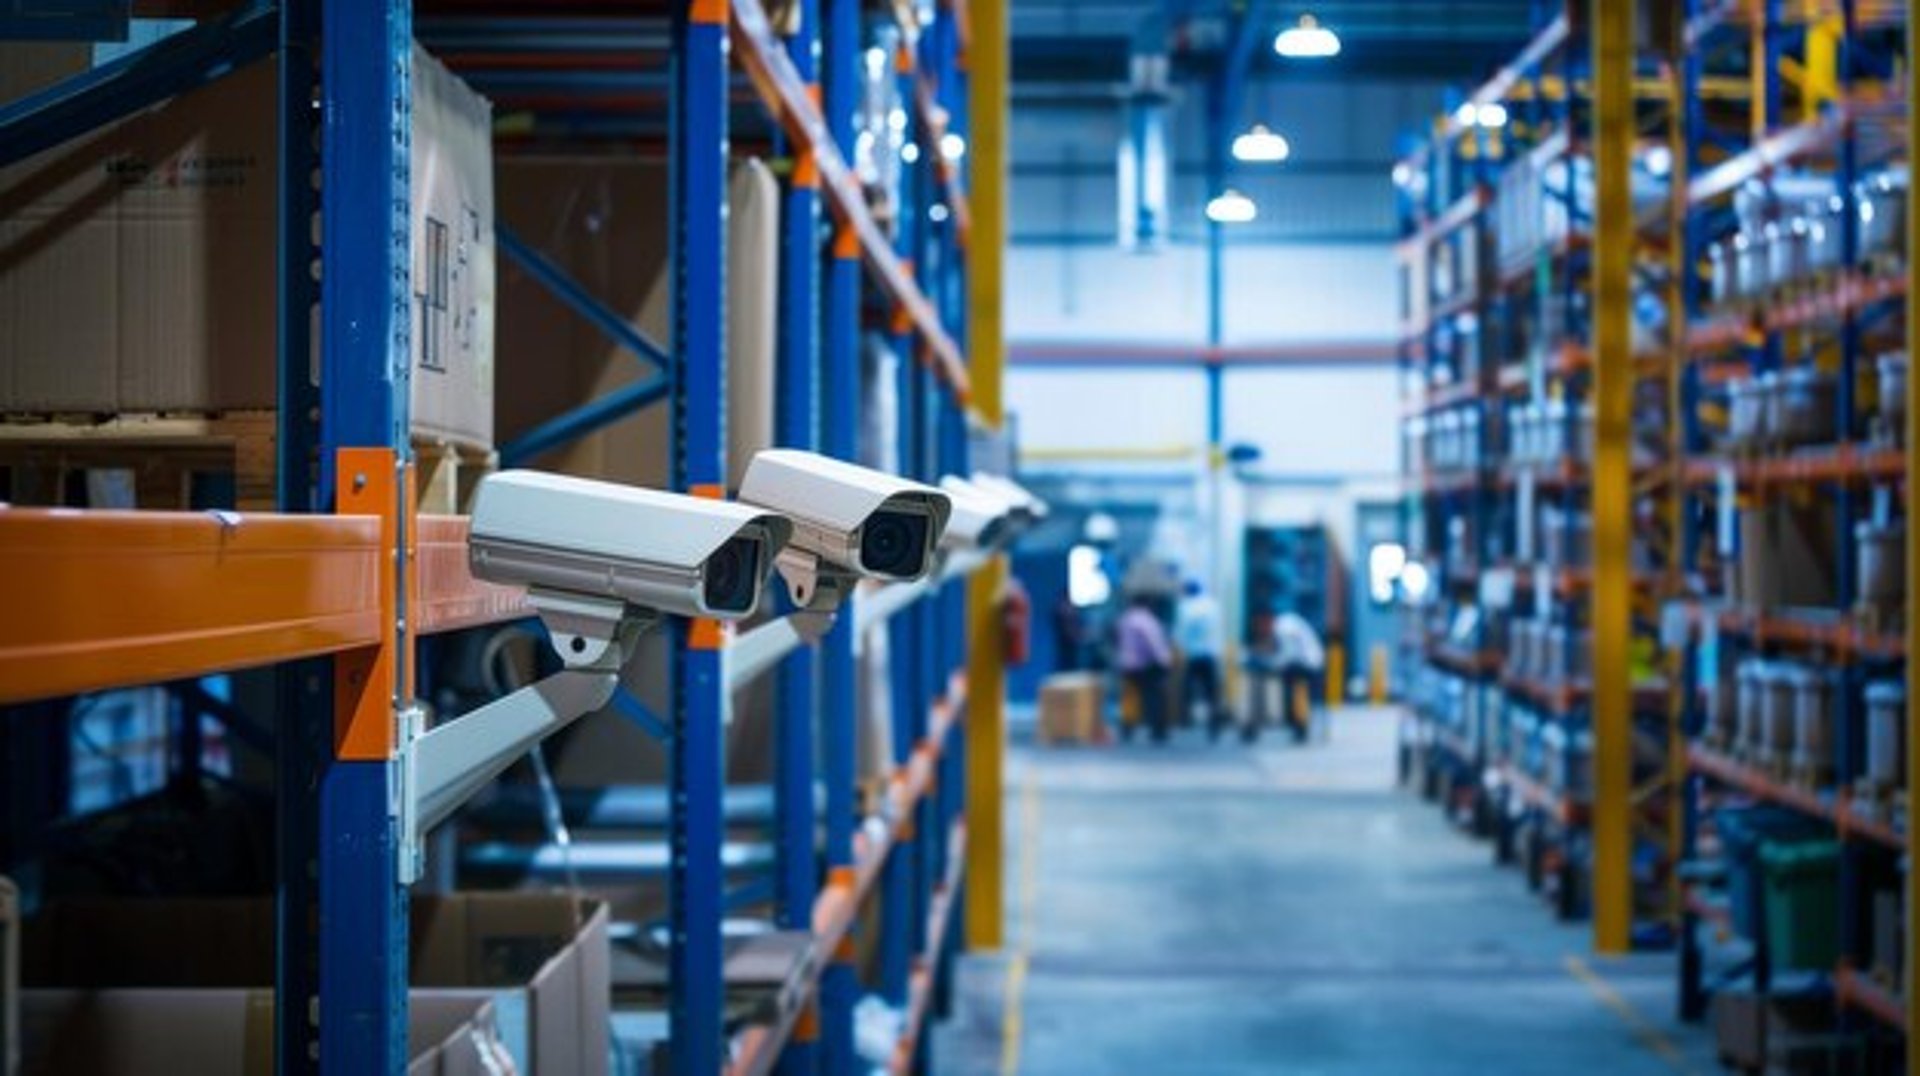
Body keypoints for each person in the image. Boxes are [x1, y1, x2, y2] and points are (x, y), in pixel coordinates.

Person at [1114, 592, 1175, 743]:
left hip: (1127, 663)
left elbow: (1117, 639)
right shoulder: (1146, 620)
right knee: (1154, 697)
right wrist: (1164, 660)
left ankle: (1127, 727)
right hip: (1145, 665)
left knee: (1130, 696)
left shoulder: (1125, 619)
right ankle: (1158, 729)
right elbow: (1153, 643)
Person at [1175, 580, 1226, 738]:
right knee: (1212, 693)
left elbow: (1181, 632)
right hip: (1212, 654)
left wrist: (1180, 648)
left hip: (1194, 654)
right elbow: (1219, 628)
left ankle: (1186, 720)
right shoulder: (1213, 605)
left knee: (1187, 689)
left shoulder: (1185, 607)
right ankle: (1214, 724)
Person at [1272, 611, 1326, 744]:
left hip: (1306, 664)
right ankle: (1300, 726)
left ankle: (1298, 726)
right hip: (1312, 662)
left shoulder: (1282, 627)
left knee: (1294, 692)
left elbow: (1290, 653)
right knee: (1302, 695)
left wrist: (1277, 663)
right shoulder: (1288, 622)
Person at [1052, 590, 1085, 673]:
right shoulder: (1063, 609)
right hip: (1065, 643)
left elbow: (1076, 626)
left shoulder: (1070, 609)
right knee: (1066, 663)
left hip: (1073, 642)